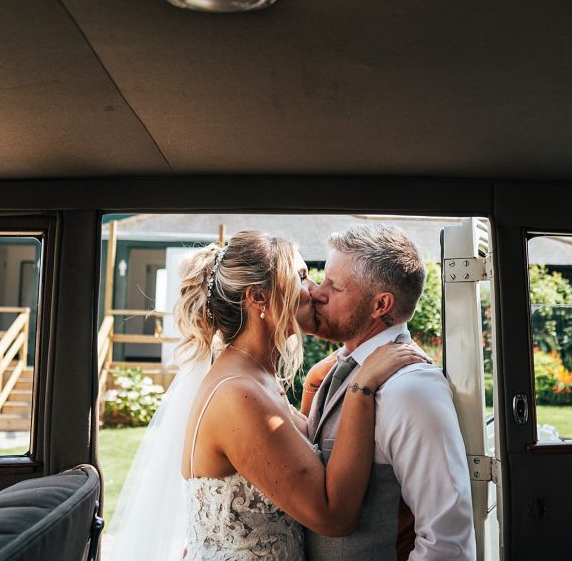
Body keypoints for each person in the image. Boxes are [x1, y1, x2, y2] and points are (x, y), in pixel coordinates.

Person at [109, 230, 429, 560]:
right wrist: (361, 389)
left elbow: (291, 455)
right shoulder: (239, 395)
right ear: (259, 297)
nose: (316, 292)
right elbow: (334, 517)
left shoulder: (255, 375)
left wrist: (316, 385)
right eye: (302, 277)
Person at [304, 224, 476, 560]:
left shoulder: (411, 389)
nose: (317, 293)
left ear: (380, 304)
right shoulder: (336, 369)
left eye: (335, 287)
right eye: (322, 279)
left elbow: (447, 540)